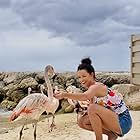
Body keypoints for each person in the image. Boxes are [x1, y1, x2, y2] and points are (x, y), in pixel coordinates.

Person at [54, 57, 132, 140]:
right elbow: (93, 112)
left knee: (92, 108)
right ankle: (111, 135)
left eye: (84, 76)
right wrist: (81, 110)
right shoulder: (91, 90)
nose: (81, 80)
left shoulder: (96, 87)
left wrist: (64, 95)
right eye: (79, 77)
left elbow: (85, 96)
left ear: (92, 74)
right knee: (82, 122)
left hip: (123, 121)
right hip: (114, 119)